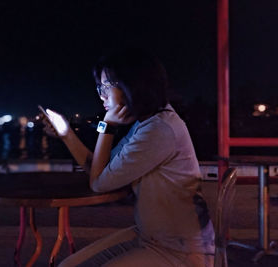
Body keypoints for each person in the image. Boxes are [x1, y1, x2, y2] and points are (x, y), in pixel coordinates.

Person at [43, 48, 215, 266]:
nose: (101, 95)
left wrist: (107, 126)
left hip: (181, 250)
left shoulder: (159, 129)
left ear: (133, 85)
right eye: (100, 87)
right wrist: (66, 134)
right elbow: (101, 169)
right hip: (151, 237)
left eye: (107, 86)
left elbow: (98, 183)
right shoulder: (145, 125)